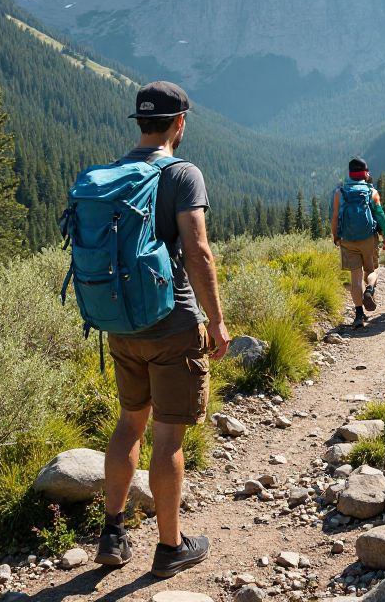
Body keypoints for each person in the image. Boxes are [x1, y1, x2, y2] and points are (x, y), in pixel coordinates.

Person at [95, 81, 230, 578]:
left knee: (130, 421)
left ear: (140, 123)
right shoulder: (181, 174)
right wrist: (216, 321)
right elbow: (197, 251)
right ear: (180, 123)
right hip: (173, 324)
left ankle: (112, 531)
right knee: (167, 436)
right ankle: (170, 547)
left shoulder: (114, 172)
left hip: (121, 325)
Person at [329, 157, 385, 329]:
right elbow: (380, 215)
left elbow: (334, 218)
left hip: (347, 240)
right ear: (365, 174)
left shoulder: (339, 193)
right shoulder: (372, 192)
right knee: (372, 270)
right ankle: (370, 290)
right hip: (368, 239)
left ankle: (358, 315)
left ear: (350, 174)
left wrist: (336, 236)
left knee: (355, 279)